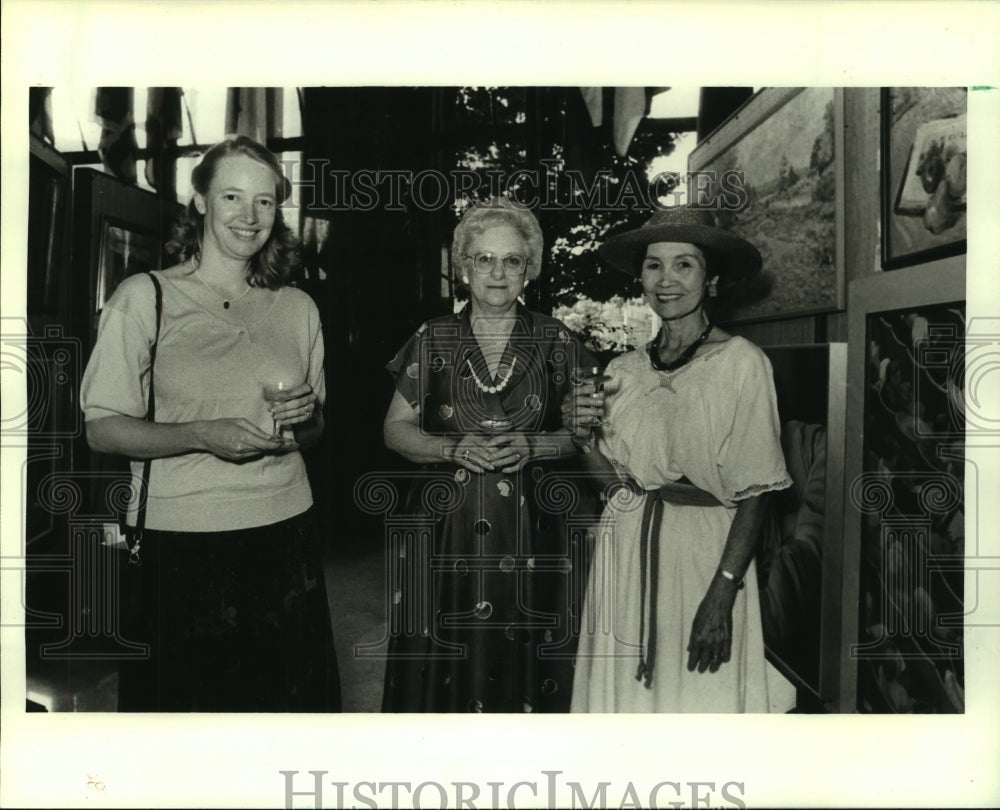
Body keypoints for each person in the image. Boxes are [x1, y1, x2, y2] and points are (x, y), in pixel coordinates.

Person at [81, 135, 341, 712]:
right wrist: (202, 434)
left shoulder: (298, 307)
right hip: (183, 544)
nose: (249, 217)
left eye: (266, 202)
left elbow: (315, 430)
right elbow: (102, 429)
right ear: (199, 201)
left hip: (286, 534)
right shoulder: (144, 298)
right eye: (231, 197)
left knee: (284, 720)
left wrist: (305, 419)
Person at [564, 205, 792, 713]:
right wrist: (582, 439)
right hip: (624, 551)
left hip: (706, 556)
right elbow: (616, 487)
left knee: (698, 706)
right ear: (640, 278)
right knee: (627, 707)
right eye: (653, 265)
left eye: (684, 265)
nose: (667, 280)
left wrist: (723, 592)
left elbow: (757, 496)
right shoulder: (622, 369)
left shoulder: (743, 364)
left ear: (710, 278)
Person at [381, 197, 594, 712]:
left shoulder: (556, 339)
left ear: (530, 269)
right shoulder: (432, 337)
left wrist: (534, 444)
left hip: (535, 532)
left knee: (531, 660)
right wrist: (450, 446)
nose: (498, 272)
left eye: (513, 260)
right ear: (464, 267)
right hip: (444, 532)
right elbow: (394, 430)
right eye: (484, 259)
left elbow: (582, 434)